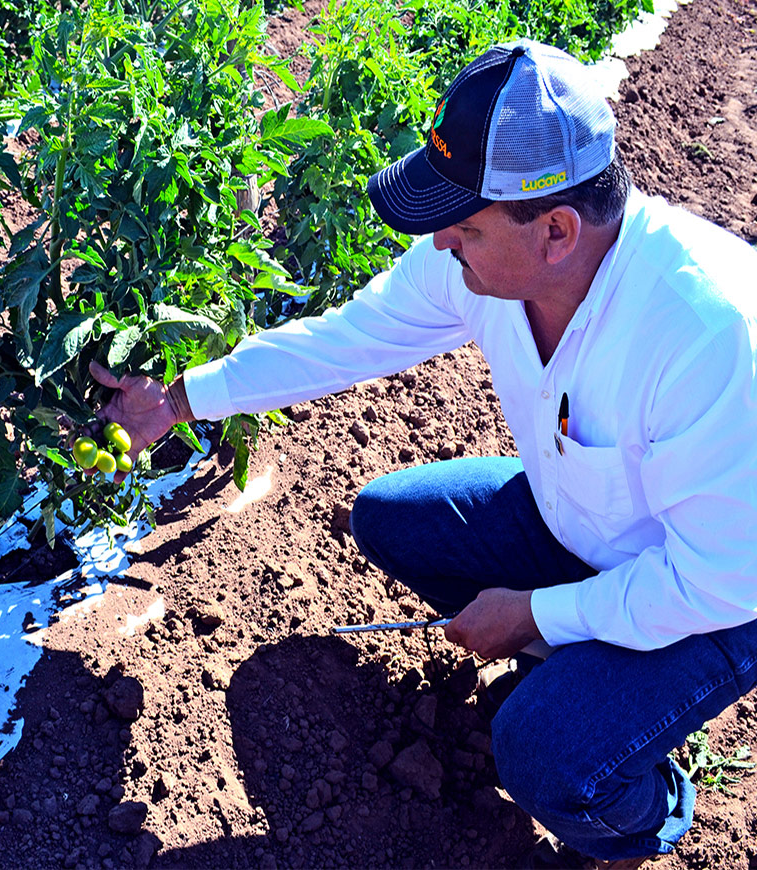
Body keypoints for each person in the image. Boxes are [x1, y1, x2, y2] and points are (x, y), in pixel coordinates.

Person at [89, 39, 757, 870]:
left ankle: (641, 816)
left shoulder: (708, 337)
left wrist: (535, 613)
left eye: (464, 225)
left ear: (556, 231)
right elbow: (347, 340)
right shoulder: (489, 263)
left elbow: (720, 580)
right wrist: (178, 401)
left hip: (720, 594)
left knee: (541, 753)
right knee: (392, 520)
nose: (441, 241)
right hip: (590, 528)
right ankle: (583, 669)